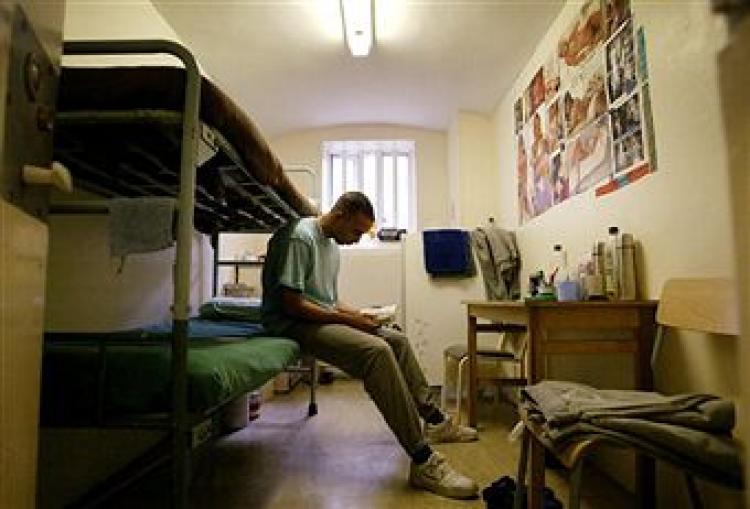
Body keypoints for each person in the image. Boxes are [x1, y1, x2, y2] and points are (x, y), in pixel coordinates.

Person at [261, 191, 479, 500]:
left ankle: (436, 422)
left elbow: (329, 301)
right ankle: (422, 459)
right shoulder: (300, 237)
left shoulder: (332, 246)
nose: (358, 240)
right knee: (375, 352)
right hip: (290, 322)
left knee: (397, 340)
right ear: (340, 215)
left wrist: (364, 315)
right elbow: (292, 304)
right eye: (356, 232)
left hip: (315, 318)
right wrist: (351, 322)